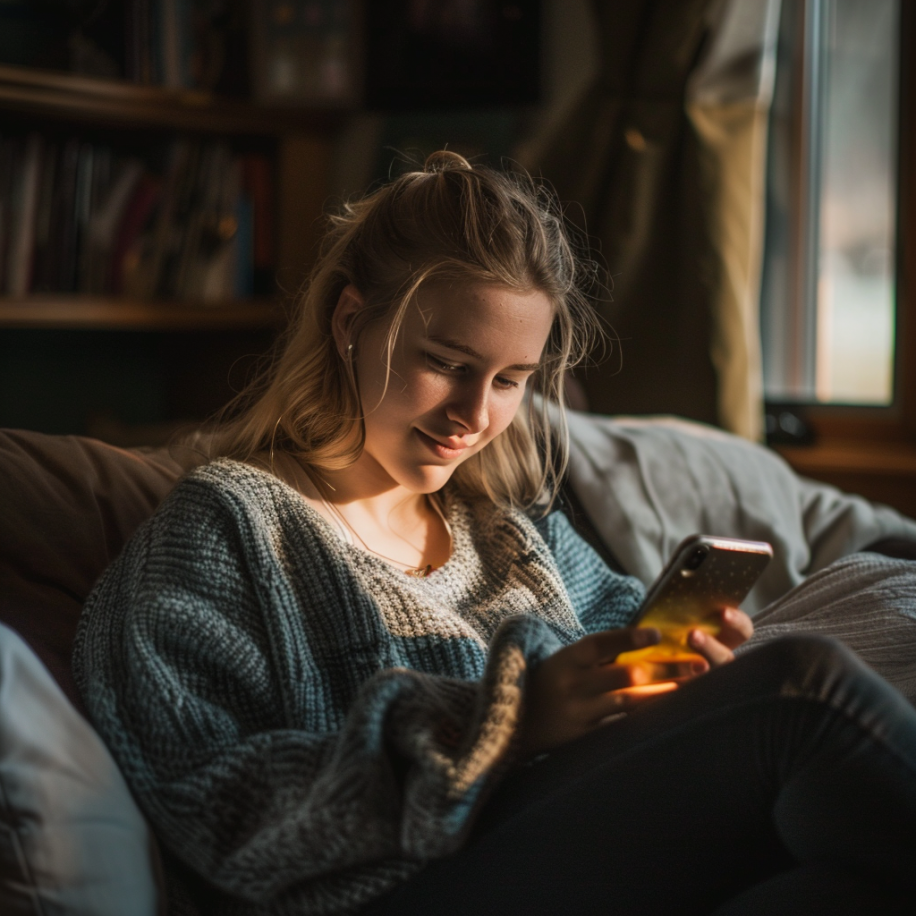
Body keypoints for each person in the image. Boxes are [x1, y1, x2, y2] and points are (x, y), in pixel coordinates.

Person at [73, 151, 916, 916]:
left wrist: (681, 669)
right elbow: (211, 802)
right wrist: (501, 724)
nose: (475, 417)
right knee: (805, 691)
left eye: (511, 379)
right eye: (448, 363)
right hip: (396, 888)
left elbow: (622, 638)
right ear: (350, 322)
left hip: (585, 853)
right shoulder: (224, 531)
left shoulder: (505, 529)